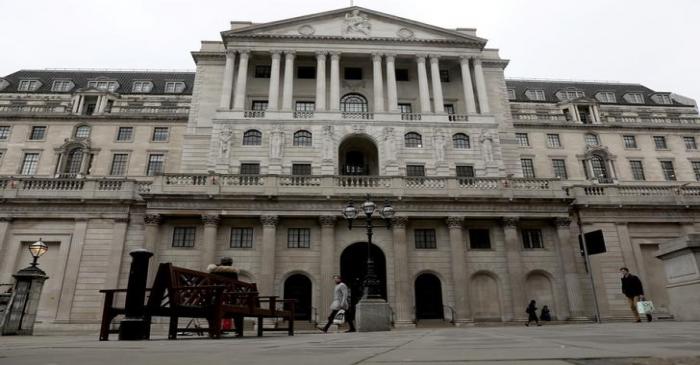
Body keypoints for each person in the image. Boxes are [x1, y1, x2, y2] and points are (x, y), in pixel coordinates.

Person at [207, 257, 242, 335]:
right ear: (231, 264)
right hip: (229, 299)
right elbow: (236, 285)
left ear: (221, 263)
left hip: (214, 299)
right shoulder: (233, 273)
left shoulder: (213, 271)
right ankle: (238, 330)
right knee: (238, 307)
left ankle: (212, 329)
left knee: (211, 309)